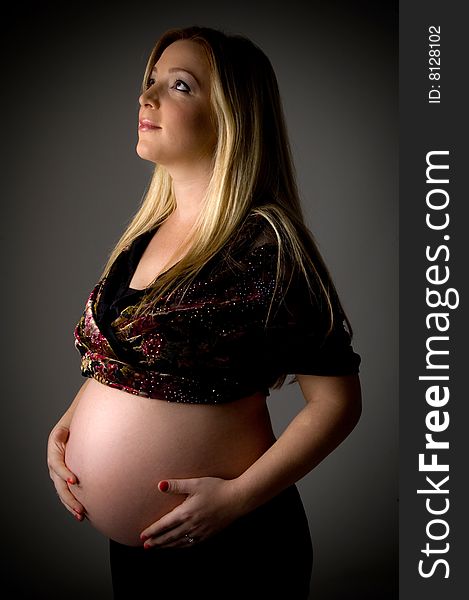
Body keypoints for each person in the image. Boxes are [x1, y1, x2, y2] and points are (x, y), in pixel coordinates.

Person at [47, 25, 362, 599]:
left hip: (231, 545)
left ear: (231, 116)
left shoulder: (266, 244)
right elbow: (122, 360)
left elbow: (337, 402)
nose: (147, 98)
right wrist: (69, 428)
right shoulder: (143, 237)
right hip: (140, 549)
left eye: (180, 85)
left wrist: (237, 499)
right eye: (150, 83)